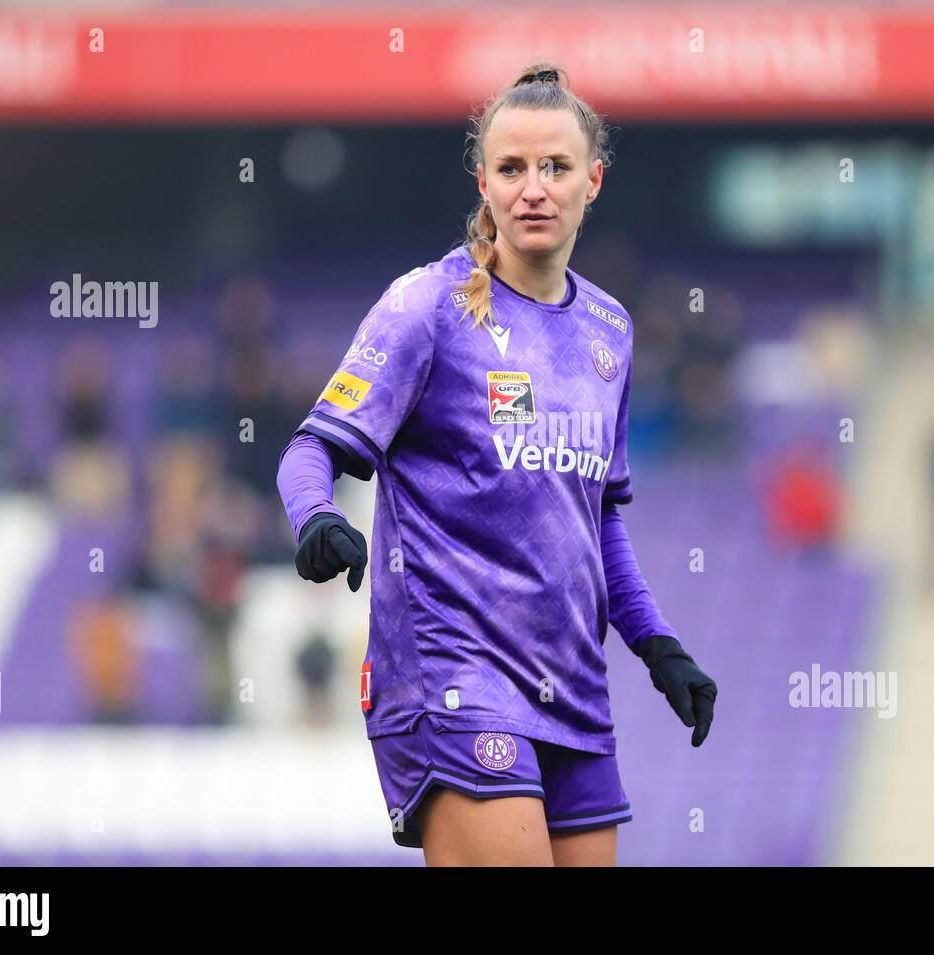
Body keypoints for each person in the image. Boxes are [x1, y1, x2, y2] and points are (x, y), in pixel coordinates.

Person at [275, 64, 717, 866]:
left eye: (555, 167)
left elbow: (596, 522)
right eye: (512, 168)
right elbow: (312, 448)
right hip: (455, 679)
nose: (534, 188)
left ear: (594, 180)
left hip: (574, 689)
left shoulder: (610, 332)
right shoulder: (426, 307)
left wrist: (658, 646)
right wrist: (318, 518)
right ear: (484, 180)